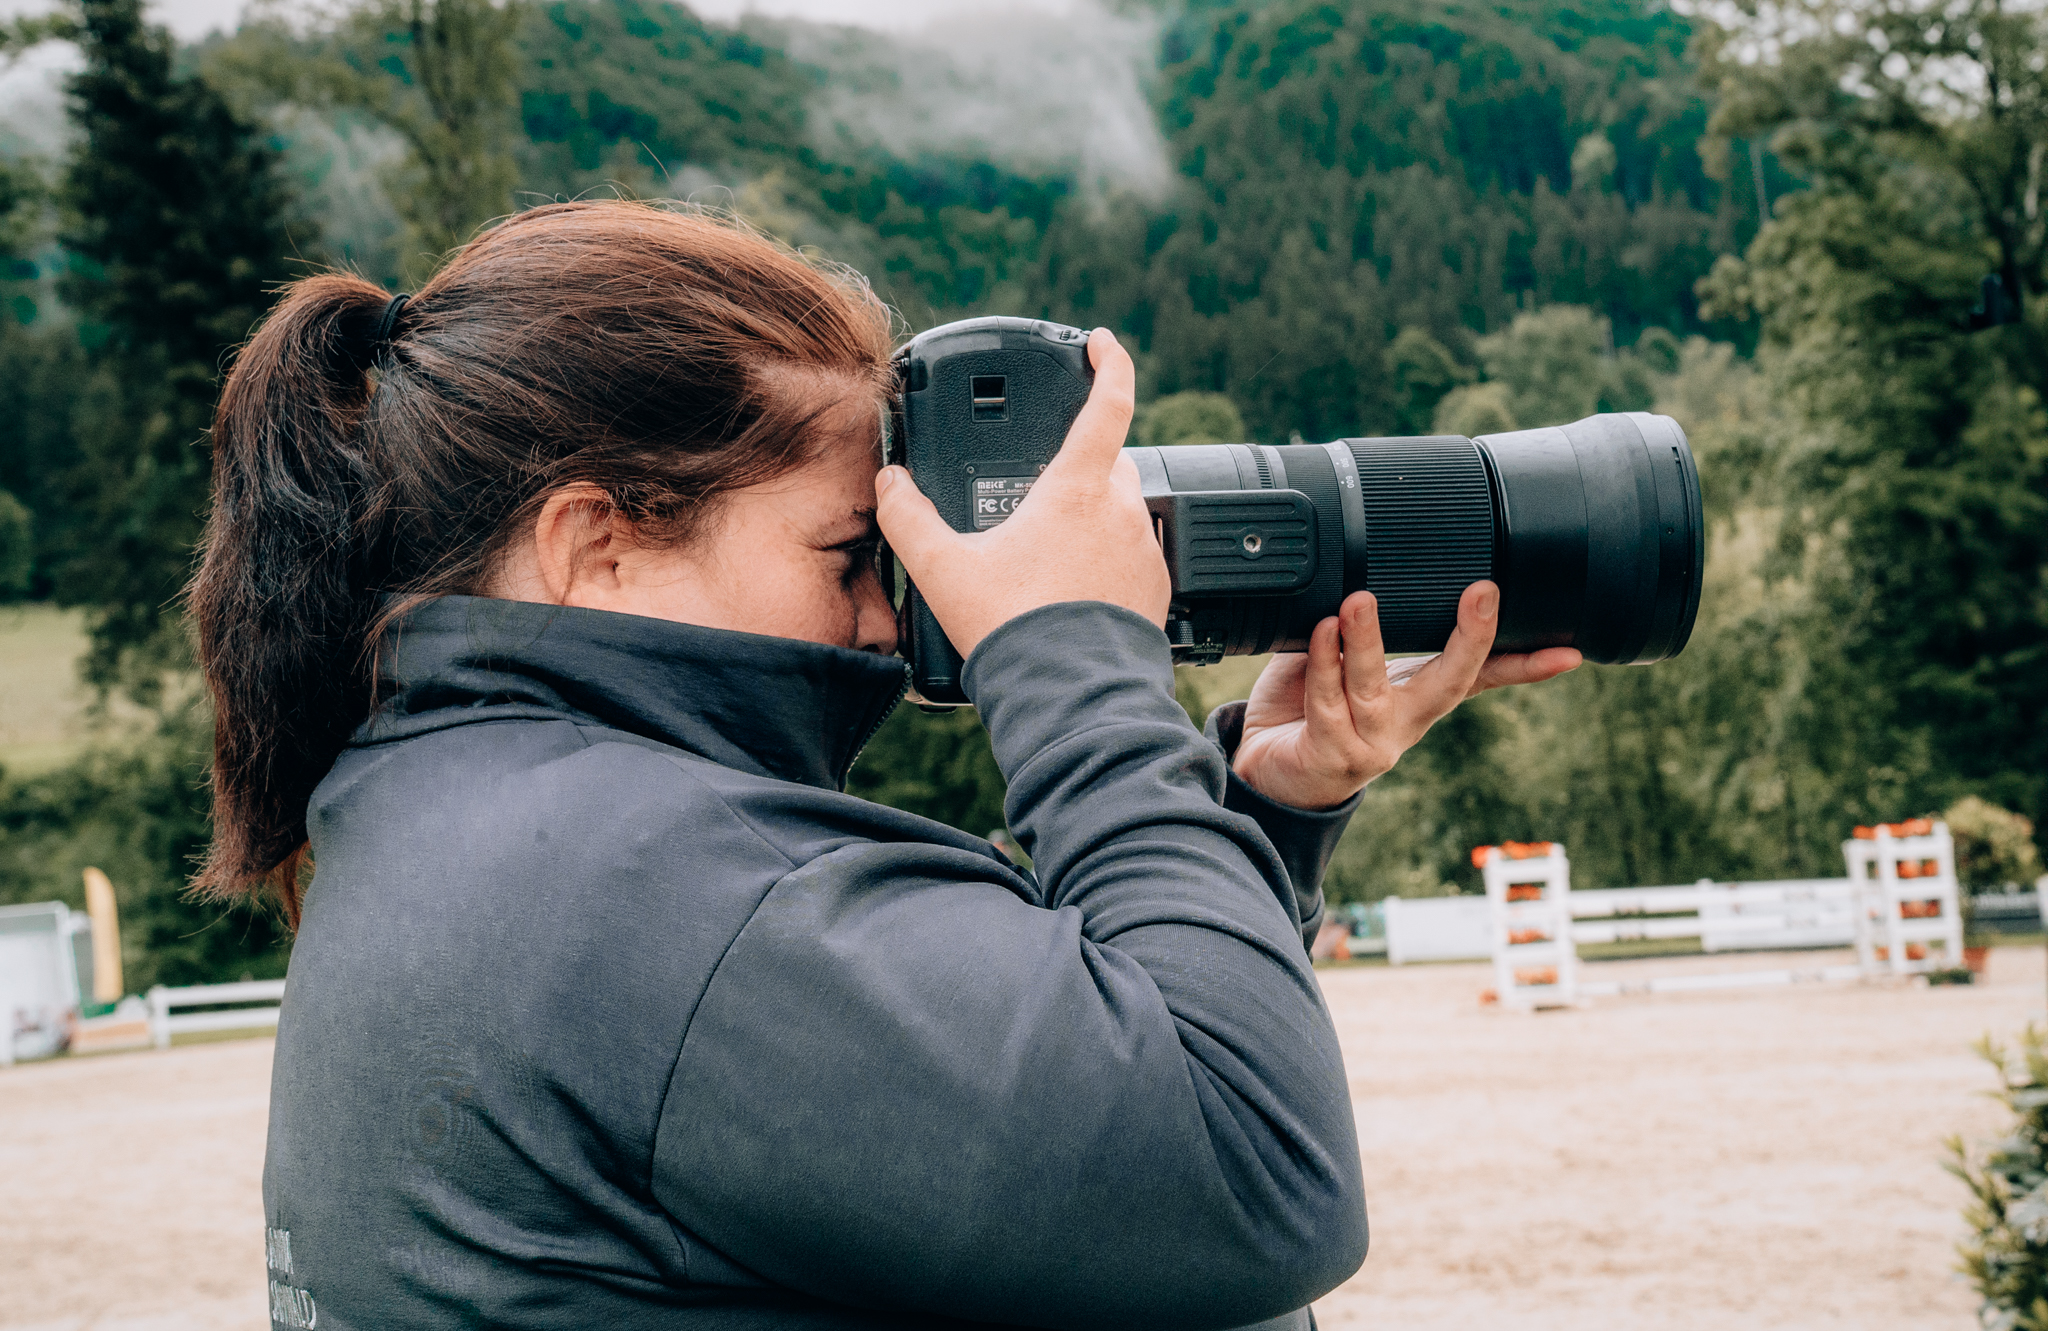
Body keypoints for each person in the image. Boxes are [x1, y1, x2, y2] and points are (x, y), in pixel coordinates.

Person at [191, 200, 1578, 1331]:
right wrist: (1079, 661)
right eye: (852, 556)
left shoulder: (446, 808)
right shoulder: (657, 889)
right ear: (595, 542)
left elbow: (1063, 1088)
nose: (887, 623)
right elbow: (1250, 1171)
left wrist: (1260, 811)